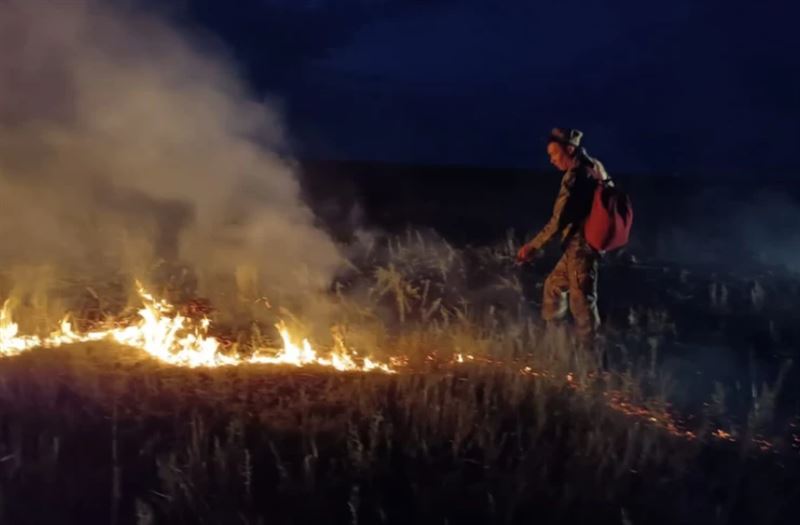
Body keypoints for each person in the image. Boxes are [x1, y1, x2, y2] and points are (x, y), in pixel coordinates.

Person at [516, 128, 610, 348]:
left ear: (569, 149)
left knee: (582, 307)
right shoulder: (595, 166)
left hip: (582, 248)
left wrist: (533, 246)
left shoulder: (576, 176)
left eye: (554, 154)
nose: (551, 160)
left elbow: (558, 220)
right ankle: (557, 345)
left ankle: (590, 364)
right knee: (553, 287)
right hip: (580, 246)